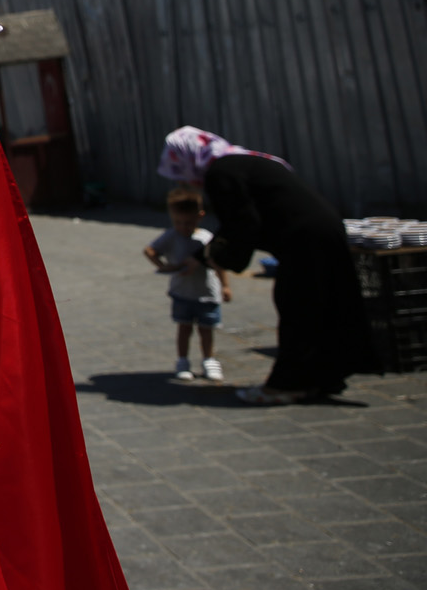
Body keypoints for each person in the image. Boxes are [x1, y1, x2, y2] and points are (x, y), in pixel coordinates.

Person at [158, 126, 379, 405]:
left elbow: (242, 225)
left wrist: (224, 259)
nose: (185, 180)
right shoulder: (238, 161)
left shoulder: (221, 173)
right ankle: (321, 378)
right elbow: (238, 225)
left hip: (305, 238)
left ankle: (286, 385)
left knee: (297, 307)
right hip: (320, 231)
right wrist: (203, 257)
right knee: (319, 306)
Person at [142, 186, 229, 381]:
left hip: (207, 293)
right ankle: (183, 361)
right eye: (177, 222)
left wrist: (225, 285)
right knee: (184, 329)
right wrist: (163, 266)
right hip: (182, 293)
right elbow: (149, 250)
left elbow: (218, 264)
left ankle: (209, 360)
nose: (182, 227)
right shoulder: (171, 235)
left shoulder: (206, 238)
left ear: (200, 216)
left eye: (188, 222)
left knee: (207, 329)